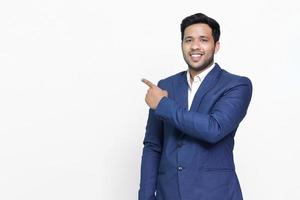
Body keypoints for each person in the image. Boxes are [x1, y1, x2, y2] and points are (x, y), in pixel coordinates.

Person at [139, 13, 252, 200]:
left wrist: (163, 104)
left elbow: (213, 128)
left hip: (215, 194)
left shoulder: (236, 85)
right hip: (169, 194)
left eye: (203, 40)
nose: (195, 46)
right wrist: (145, 196)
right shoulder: (166, 85)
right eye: (188, 40)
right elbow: (153, 146)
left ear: (216, 46)